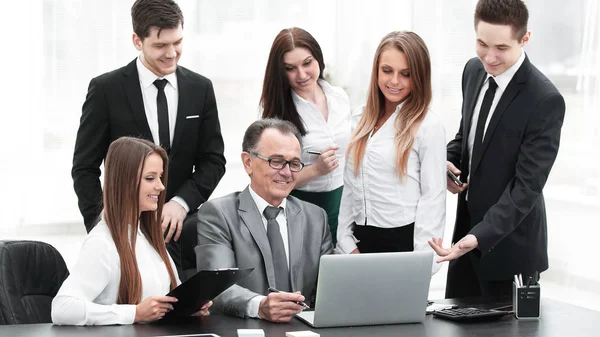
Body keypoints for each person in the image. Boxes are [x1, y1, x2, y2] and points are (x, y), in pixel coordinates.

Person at [71, 0, 226, 279]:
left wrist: (181, 203)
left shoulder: (200, 88)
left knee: (183, 313)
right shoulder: (106, 89)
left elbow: (213, 160)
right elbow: (84, 168)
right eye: (160, 46)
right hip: (124, 233)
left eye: (177, 42)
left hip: (182, 229)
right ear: (137, 41)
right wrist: (104, 227)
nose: (171, 53)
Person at [428, 0, 566, 298]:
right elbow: (467, 137)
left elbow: (526, 188)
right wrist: (449, 163)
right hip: (465, 237)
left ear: (525, 38)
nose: (489, 57)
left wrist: (479, 236)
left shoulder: (544, 100)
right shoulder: (472, 71)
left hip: (510, 250)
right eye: (482, 43)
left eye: (501, 48)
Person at [52, 137, 211, 325]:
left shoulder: (149, 239)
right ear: (125, 181)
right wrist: (134, 313)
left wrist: (186, 308)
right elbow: (62, 308)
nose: (160, 186)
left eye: (160, 177)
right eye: (150, 178)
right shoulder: (102, 243)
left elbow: (161, 304)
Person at [195, 119, 333, 322]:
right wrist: (259, 306)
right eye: (276, 161)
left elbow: (331, 286)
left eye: (294, 163)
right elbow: (216, 287)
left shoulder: (315, 217)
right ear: (248, 162)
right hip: (245, 329)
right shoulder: (218, 213)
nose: (286, 172)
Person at [336, 31, 446, 271]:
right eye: (387, 71)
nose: (394, 81)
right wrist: (345, 243)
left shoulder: (428, 125)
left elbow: (433, 198)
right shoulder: (359, 118)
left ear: (419, 76)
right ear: (376, 70)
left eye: (405, 74)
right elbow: (350, 188)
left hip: (404, 247)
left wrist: (422, 264)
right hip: (359, 247)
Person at [260, 27, 351, 245]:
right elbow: (268, 180)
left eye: (307, 63)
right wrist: (316, 170)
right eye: (290, 68)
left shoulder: (339, 97)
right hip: (302, 206)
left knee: (343, 272)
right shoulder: (278, 112)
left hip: (344, 203)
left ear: (318, 59)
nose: (301, 75)